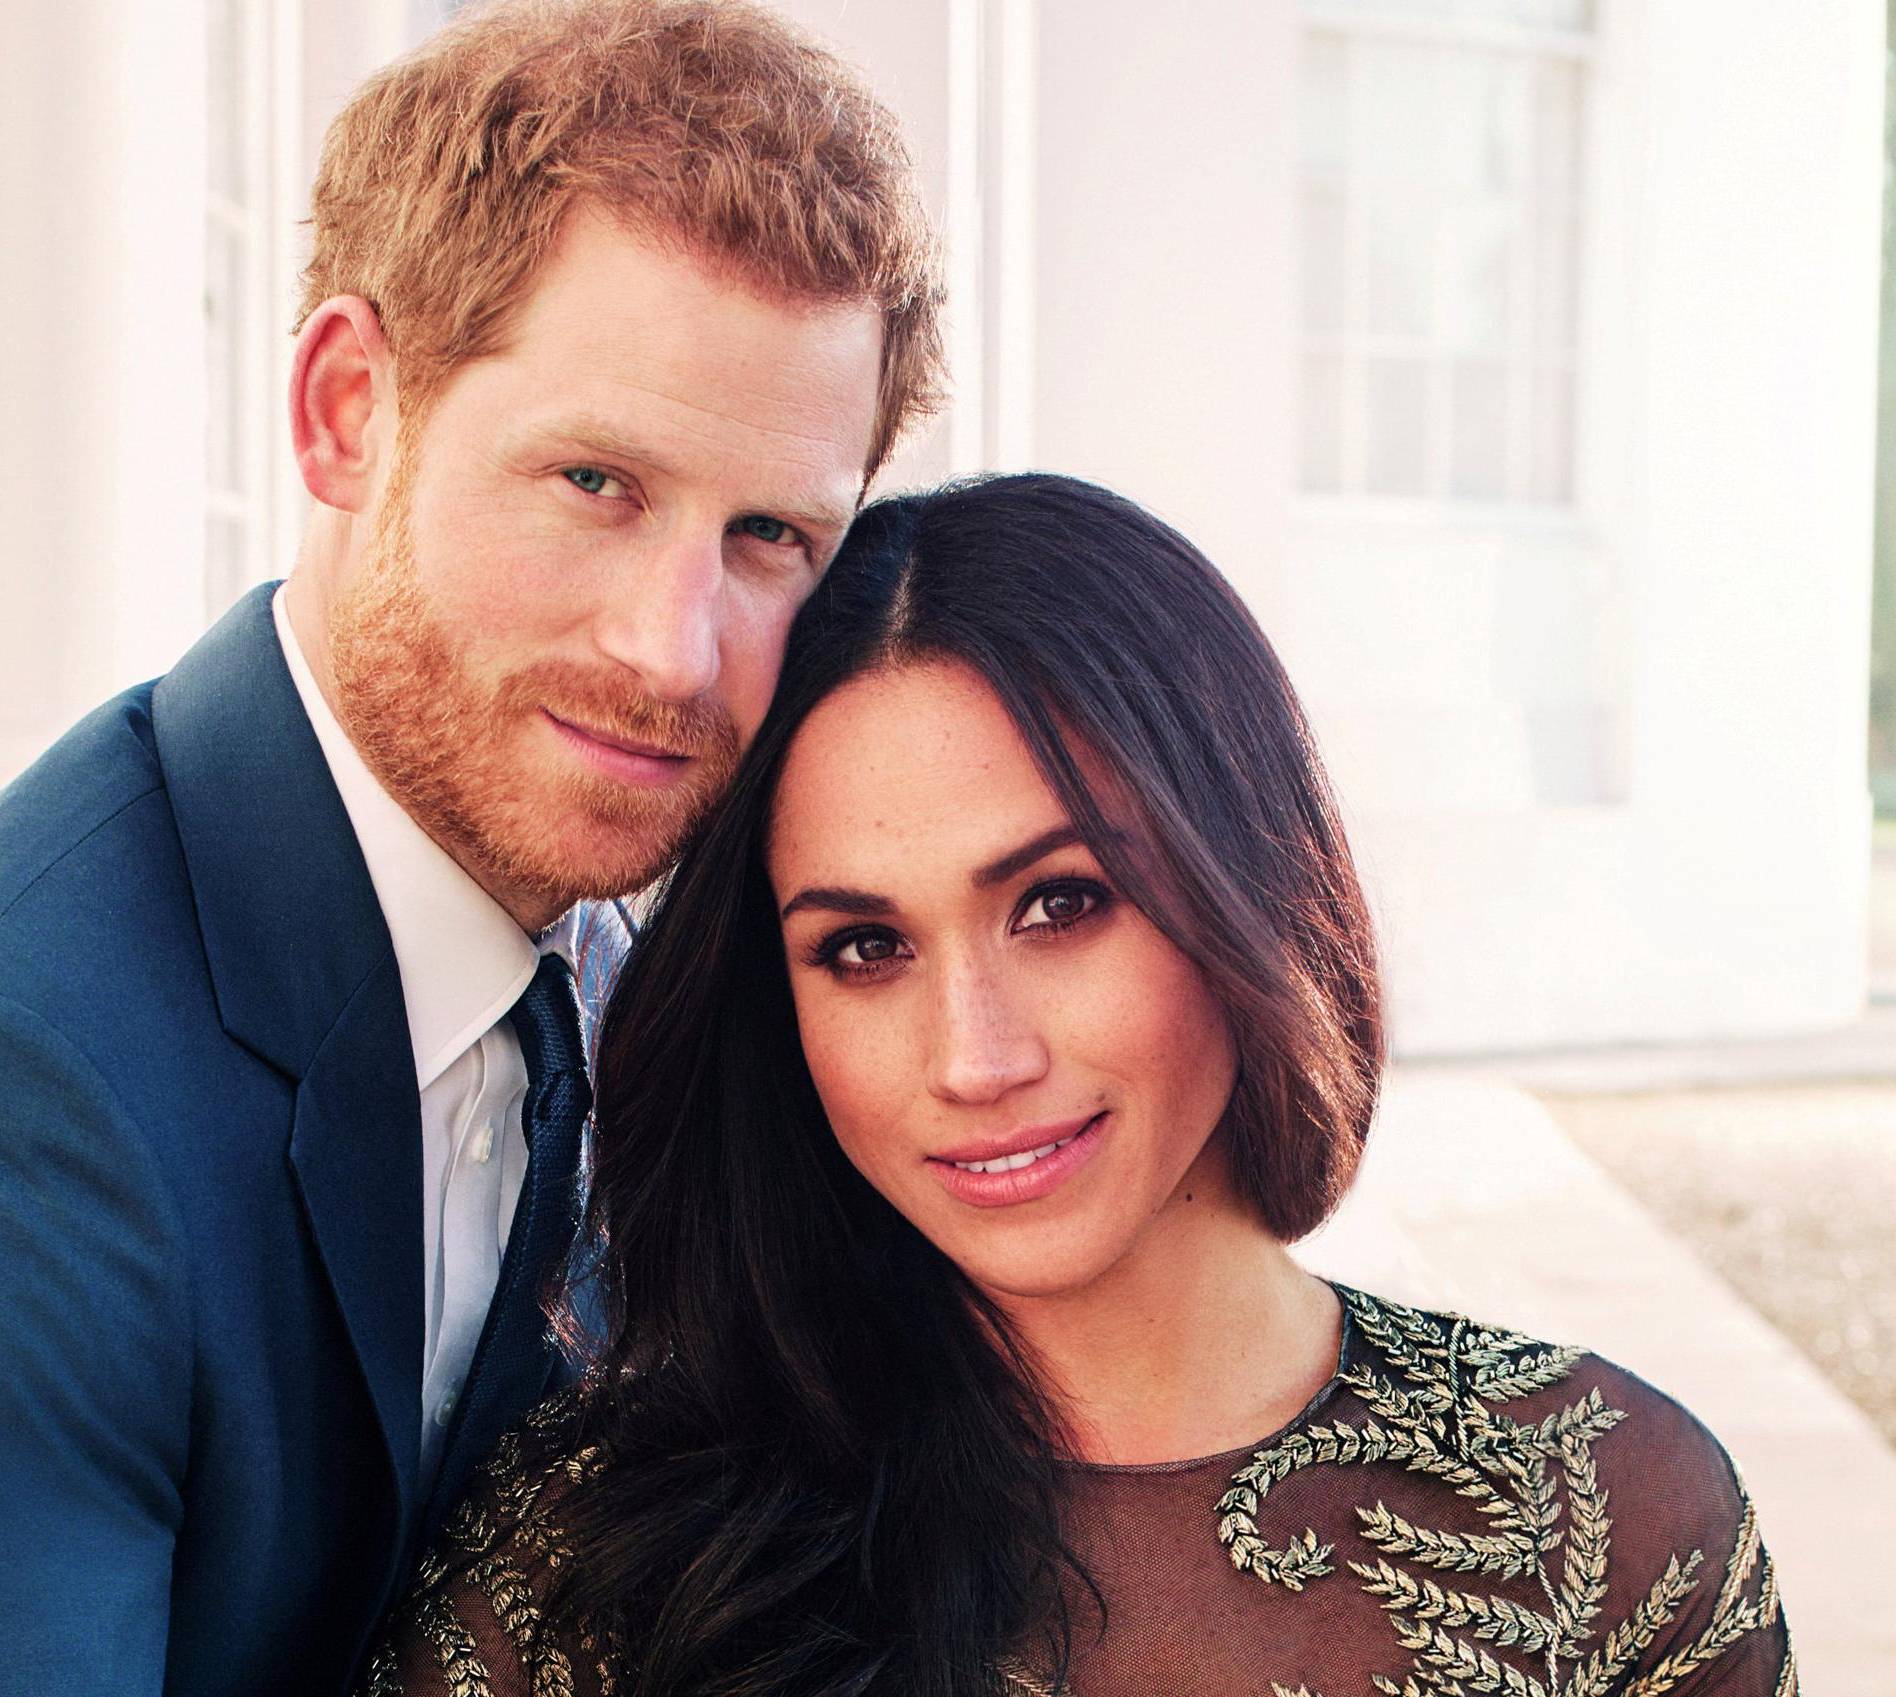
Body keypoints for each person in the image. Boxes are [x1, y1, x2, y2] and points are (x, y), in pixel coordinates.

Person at [369, 474, 1796, 1697]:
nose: (976, 1057)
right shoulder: (594, 1568)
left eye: (1059, 904)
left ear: (1247, 882)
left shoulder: (1613, 1535)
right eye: (864, 947)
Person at [0, 2, 941, 1690]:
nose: (675, 650)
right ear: (351, 409)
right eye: (596, 479)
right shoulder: (37, 1069)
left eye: (769, 535)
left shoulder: (680, 952)